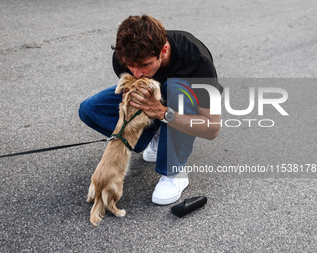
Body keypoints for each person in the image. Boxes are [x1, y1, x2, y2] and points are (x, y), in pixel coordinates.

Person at [79, 15, 223, 205]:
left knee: (177, 88)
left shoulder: (197, 62)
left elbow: (212, 129)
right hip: (156, 102)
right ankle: (155, 137)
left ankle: (174, 172)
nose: (136, 73)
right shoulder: (124, 58)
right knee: (89, 109)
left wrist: (163, 113)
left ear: (163, 51)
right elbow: (133, 88)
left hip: (179, 100)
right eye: (131, 66)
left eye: (144, 65)